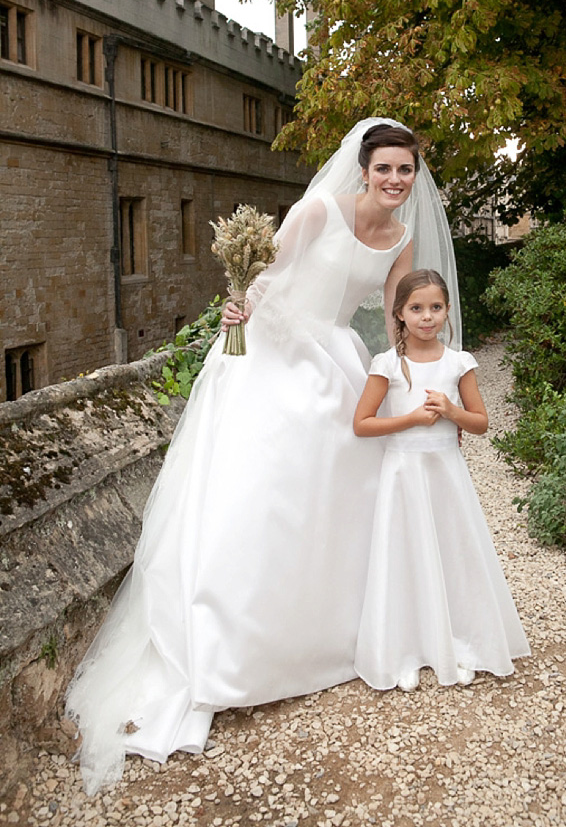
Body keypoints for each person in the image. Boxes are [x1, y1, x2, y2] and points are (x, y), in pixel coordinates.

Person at [65, 119, 462, 795]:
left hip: (333, 354)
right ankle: (230, 647)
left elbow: (399, 318)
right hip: (272, 352)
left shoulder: (401, 237)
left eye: (406, 171)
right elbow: (260, 275)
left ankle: (332, 630)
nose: (396, 181)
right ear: (362, 168)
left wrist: (425, 382)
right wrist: (235, 306)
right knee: (256, 489)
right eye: (385, 168)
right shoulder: (316, 210)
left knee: (338, 487)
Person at [353, 269, 530, 693]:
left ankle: (461, 643)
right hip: (403, 474)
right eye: (416, 309)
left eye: (435, 308)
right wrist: (412, 418)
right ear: (399, 314)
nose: (427, 317)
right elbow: (361, 423)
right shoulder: (387, 365)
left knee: (452, 552)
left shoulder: (458, 363)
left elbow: (481, 423)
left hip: (447, 475)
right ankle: (408, 649)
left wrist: (451, 411)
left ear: (447, 311)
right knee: (407, 555)